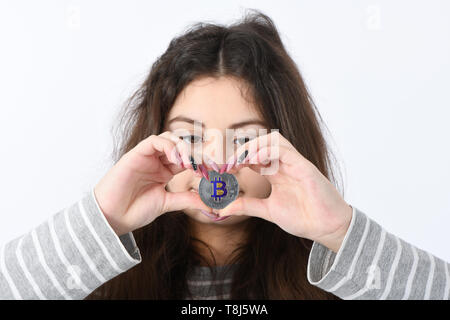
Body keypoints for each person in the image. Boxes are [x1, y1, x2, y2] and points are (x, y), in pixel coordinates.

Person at [0, 10, 449, 300]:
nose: (216, 165)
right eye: (189, 139)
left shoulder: (341, 276)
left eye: (246, 140)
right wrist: (102, 220)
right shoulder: (95, 273)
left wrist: (340, 232)